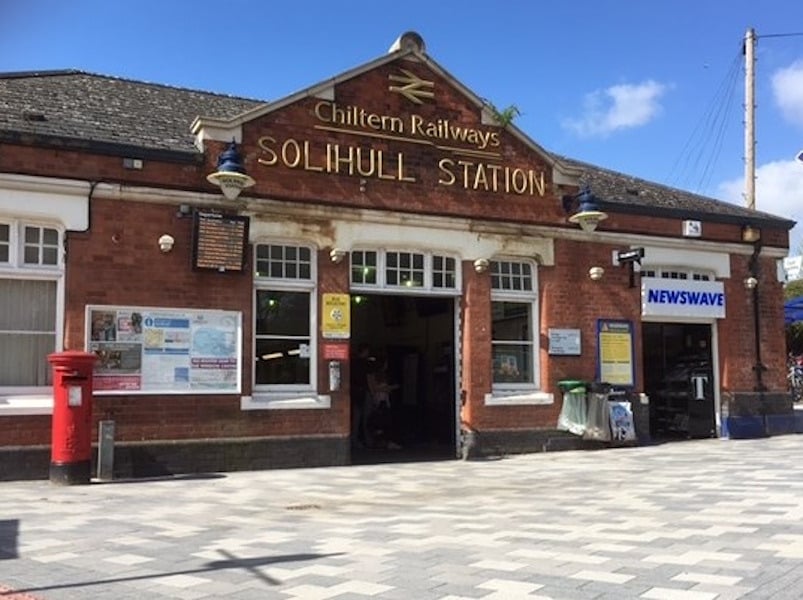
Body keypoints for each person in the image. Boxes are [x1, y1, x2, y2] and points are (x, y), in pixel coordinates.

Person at [350, 344, 375, 449]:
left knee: (356, 418)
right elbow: (369, 380)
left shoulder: (352, 363)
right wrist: (373, 394)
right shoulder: (367, 364)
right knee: (367, 419)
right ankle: (368, 440)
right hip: (364, 392)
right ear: (365, 351)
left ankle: (354, 441)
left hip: (354, 392)